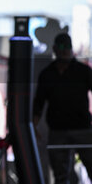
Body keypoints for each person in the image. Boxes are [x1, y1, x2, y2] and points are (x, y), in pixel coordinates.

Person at [33, 33, 92, 184]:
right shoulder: (47, 74)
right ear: (54, 49)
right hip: (58, 130)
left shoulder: (83, 71)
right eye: (62, 47)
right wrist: (33, 126)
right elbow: (39, 103)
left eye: (68, 48)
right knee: (60, 175)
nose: (65, 51)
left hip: (82, 128)